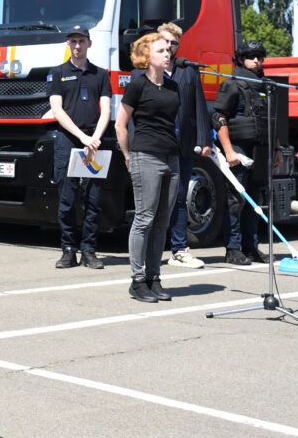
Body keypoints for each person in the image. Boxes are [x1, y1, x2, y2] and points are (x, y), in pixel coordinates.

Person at [115, 32, 181, 303]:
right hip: (146, 155)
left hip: (171, 158)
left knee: (162, 222)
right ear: (147, 56)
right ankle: (137, 280)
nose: (168, 53)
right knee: (144, 218)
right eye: (161, 50)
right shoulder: (137, 85)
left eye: (169, 50)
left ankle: (154, 278)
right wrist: (128, 155)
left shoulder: (173, 86)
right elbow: (120, 124)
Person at [44, 24, 111, 270]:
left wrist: (95, 137)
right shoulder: (57, 73)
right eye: (72, 41)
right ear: (68, 44)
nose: (77, 45)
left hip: (95, 142)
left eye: (81, 40)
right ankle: (68, 250)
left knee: (93, 200)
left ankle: (90, 251)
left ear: (89, 44)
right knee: (67, 199)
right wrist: (82, 137)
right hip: (68, 141)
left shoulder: (101, 74)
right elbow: (57, 110)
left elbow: (107, 109)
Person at [212, 39, 271, 265]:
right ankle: (233, 248)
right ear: (240, 59)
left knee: (254, 200)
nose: (256, 60)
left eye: (259, 56)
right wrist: (228, 151)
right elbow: (218, 118)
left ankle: (250, 246)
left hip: (260, 148)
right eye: (250, 56)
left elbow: (270, 120)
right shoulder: (232, 84)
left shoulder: (266, 85)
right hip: (238, 148)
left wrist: (275, 150)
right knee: (235, 200)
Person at [157, 23, 211, 269]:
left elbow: (200, 106)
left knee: (180, 198)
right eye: (165, 41)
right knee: (154, 200)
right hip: (155, 146)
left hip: (184, 145)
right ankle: (151, 248)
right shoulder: (145, 72)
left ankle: (178, 250)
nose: (169, 47)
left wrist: (205, 140)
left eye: (174, 43)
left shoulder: (188, 71)